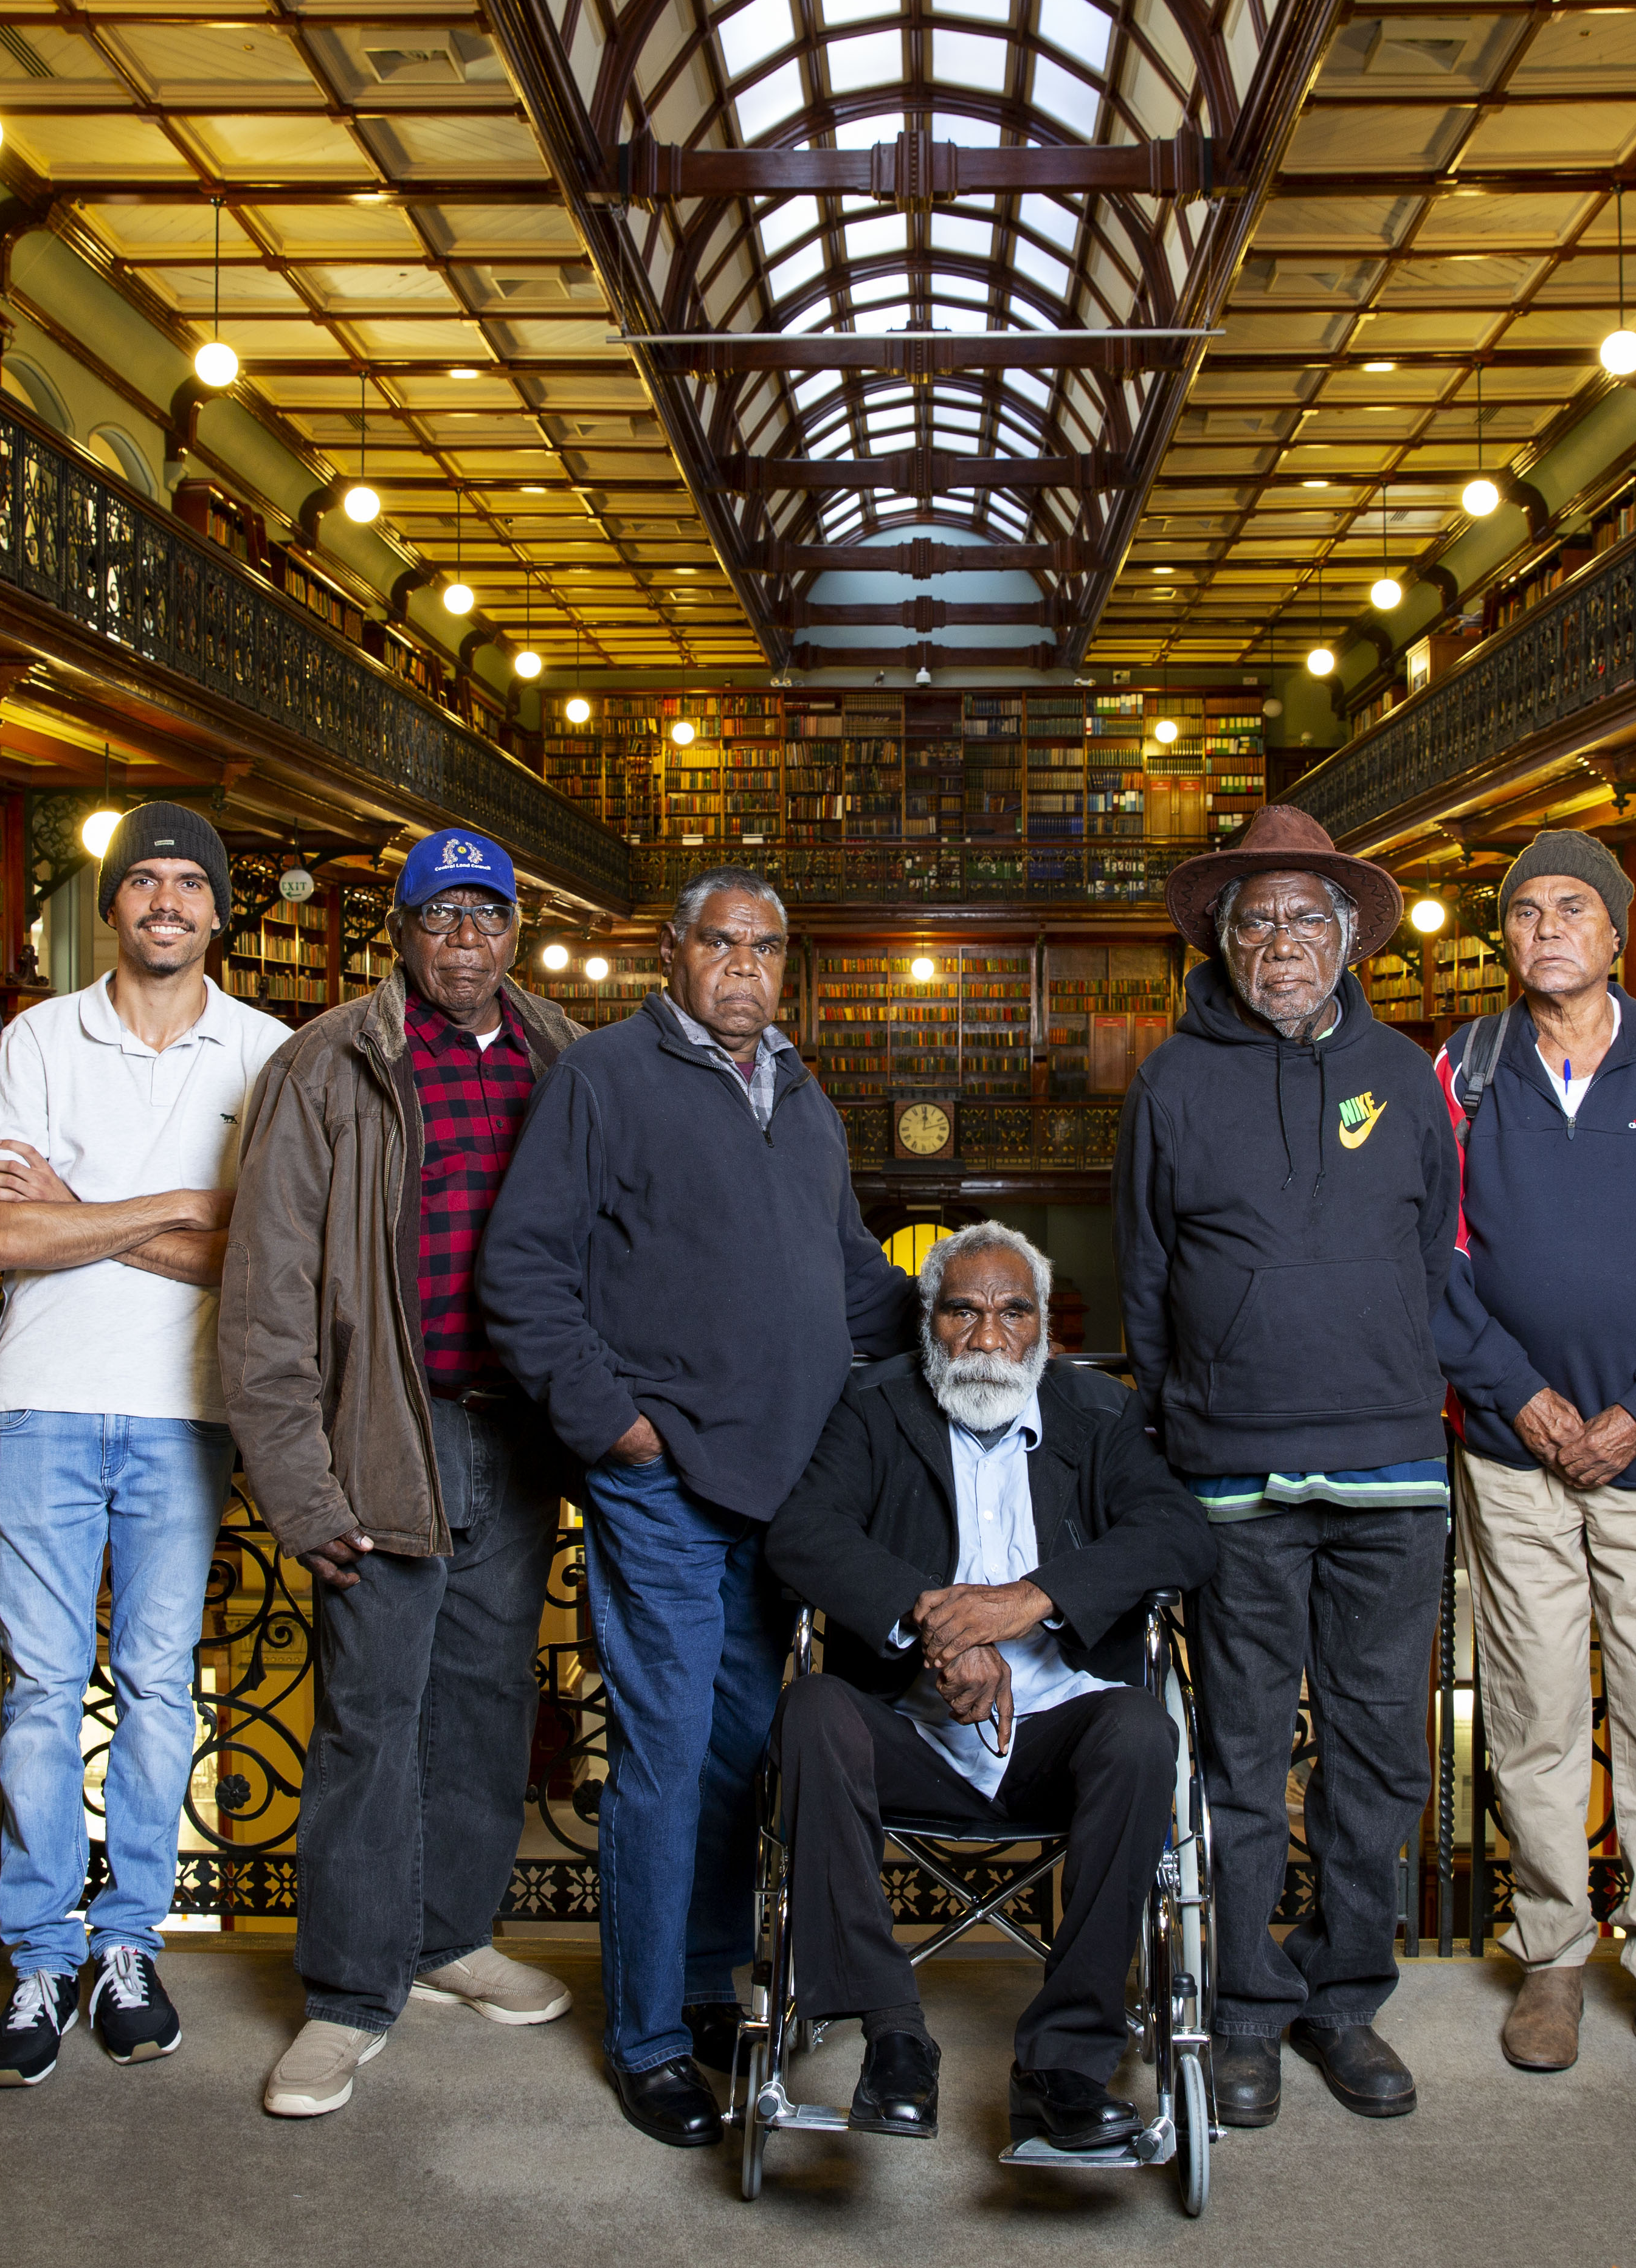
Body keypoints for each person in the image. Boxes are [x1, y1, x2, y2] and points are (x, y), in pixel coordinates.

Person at [479, 866, 919, 2148]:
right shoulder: (605, 1080)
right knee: (668, 1757)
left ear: (787, 967)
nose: (742, 965)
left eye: (765, 946)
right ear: (671, 956)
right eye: (718, 942)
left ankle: (703, 1979)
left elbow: (845, 1275)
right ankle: (648, 2037)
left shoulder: (801, 1092)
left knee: (736, 1754)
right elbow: (523, 1270)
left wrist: (970, 1328)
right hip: (665, 1482)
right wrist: (615, 1428)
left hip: (783, 1486)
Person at [220, 829, 585, 2120]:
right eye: (443, 919)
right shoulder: (328, 1063)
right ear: (404, 933)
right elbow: (264, 1298)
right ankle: (346, 1994)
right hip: (391, 1423)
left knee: (486, 1697)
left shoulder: (562, 1052)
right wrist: (301, 1489)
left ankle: (449, 1935)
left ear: (516, 931)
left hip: (520, 1431)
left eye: (491, 916)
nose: (468, 941)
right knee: (374, 1712)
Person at [1113, 804, 1458, 2128]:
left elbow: (1435, 1250)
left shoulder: (1409, 1073)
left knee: (1378, 1756)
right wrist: (1194, 1394)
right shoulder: (1171, 1079)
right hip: (1233, 1471)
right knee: (1243, 1758)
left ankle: (1344, 1999)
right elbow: (1145, 1268)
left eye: (1308, 921)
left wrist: (1381, 1355)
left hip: (1387, 1465)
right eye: (1257, 923)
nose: (1283, 945)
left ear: (1346, 938)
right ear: (1224, 941)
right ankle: (1247, 2008)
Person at [762, 1224, 1219, 2151]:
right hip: (911, 1731)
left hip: (1060, 1739)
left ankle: (1063, 2062)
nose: (986, 1337)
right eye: (962, 1310)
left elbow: (1182, 1536)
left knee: (1140, 1732)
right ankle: (892, 2035)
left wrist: (1030, 1601)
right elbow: (801, 1536)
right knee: (809, 1710)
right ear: (930, 1322)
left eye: (1013, 1313)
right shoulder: (875, 1404)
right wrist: (936, 1622)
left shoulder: (1098, 1411)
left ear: (1043, 1327)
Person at [1435, 830, 1636, 2102]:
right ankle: (1554, 1957)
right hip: (1513, 1451)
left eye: (1574, 910)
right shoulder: (1464, 1067)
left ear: (1619, 935)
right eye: (1525, 914)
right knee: (1528, 1714)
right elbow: (1441, 1261)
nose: (1548, 930)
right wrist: (1521, 1399)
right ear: (1506, 940)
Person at [0, 804, 286, 2086]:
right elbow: (4, 1241)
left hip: (187, 1408)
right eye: (141, 881)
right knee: (40, 1690)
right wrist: (176, 1210)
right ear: (113, 908)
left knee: (162, 1688)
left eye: (186, 884)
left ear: (217, 912)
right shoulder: (37, 1041)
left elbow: (263, 1255)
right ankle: (38, 1959)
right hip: (40, 1397)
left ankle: (129, 1941)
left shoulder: (267, 1054)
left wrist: (85, 1213)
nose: (164, 900)